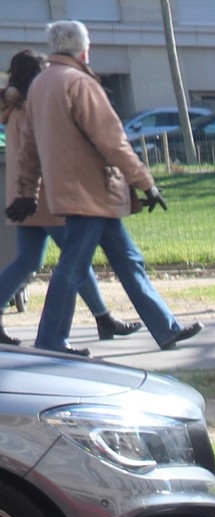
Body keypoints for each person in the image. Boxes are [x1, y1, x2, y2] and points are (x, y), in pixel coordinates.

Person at [20, 21, 195, 355]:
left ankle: (166, 328)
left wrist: (27, 191)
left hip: (74, 191)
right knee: (73, 268)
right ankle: (51, 341)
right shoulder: (79, 83)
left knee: (129, 260)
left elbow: (28, 147)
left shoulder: (41, 83)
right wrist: (146, 182)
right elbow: (112, 141)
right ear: (83, 48)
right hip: (91, 191)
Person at [0, 49, 130, 345]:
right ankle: (102, 317)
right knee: (74, 260)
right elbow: (39, 154)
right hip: (45, 197)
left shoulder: (12, 107)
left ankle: (103, 317)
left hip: (21, 199)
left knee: (27, 261)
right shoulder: (33, 107)